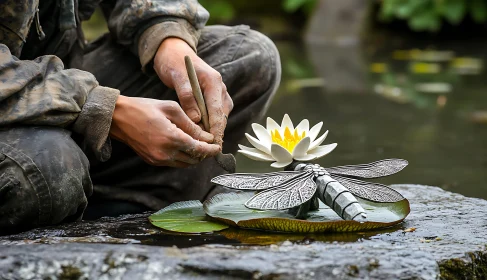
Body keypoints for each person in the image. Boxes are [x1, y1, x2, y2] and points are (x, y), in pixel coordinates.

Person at [0, 0, 280, 233]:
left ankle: (127, 213)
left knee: (252, 58)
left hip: (63, 80)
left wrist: (169, 39)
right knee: (48, 171)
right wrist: (105, 108)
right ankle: (72, 199)